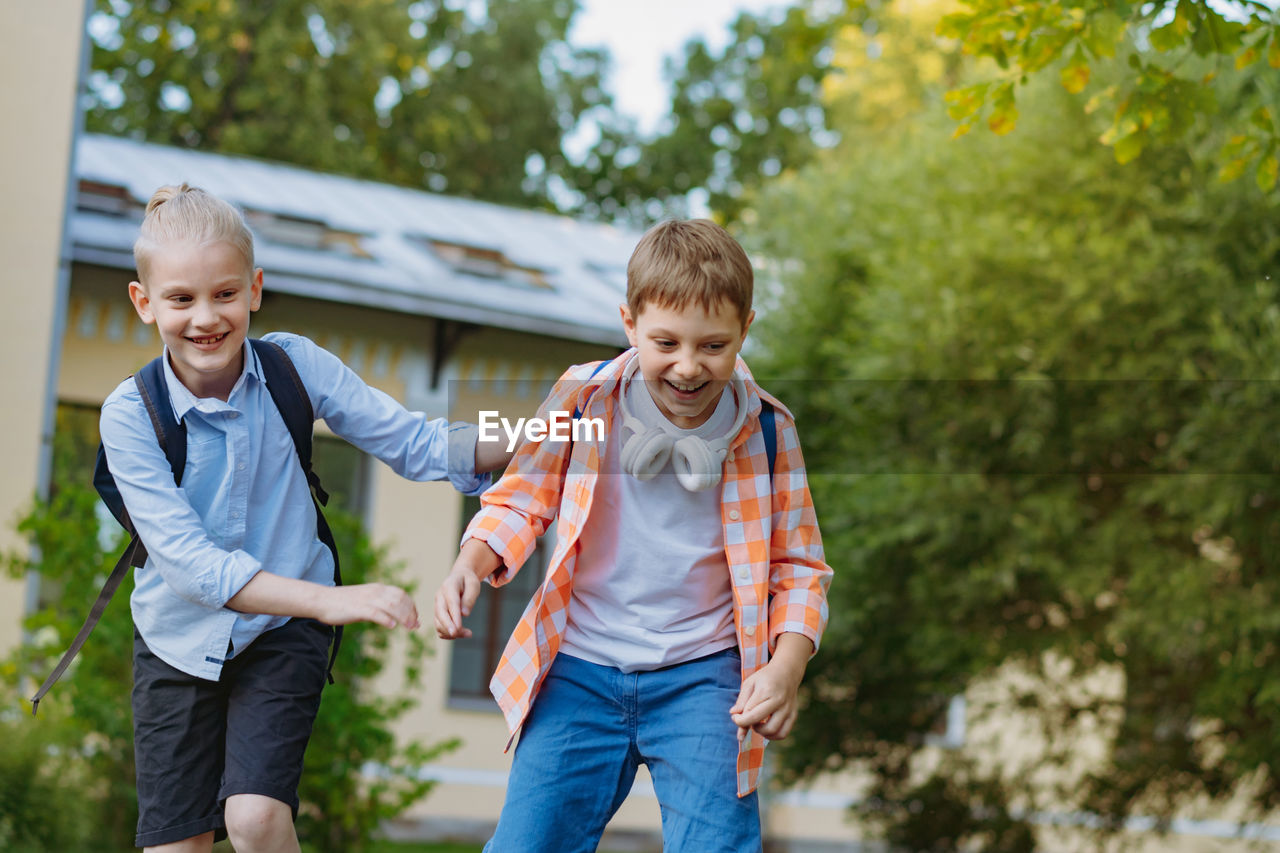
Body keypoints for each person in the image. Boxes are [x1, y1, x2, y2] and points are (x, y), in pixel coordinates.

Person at [100, 183, 512, 853]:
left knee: (256, 818)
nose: (206, 317)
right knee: (179, 846)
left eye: (225, 294)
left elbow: (418, 440)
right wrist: (334, 599)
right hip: (178, 641)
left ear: (255, 289)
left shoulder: (294, 366)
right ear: (144, 302)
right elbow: (195, 567)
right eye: (181, 298)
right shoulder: (130, 414)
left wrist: (551, 427)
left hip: (280, 631)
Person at [434, 218, 833, 852]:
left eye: (713, 346)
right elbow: (523, 496)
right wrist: (471, 562)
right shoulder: (585, 402)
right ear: (629, 324)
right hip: (580, 671)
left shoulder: (767, 433)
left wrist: (786, 669)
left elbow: (799, 568)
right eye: (665, 342)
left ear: (744, 331)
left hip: (705, 680)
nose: (687, 366)